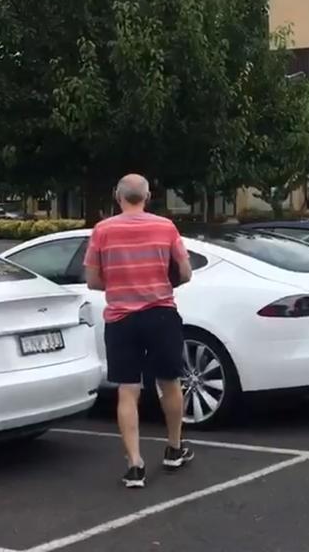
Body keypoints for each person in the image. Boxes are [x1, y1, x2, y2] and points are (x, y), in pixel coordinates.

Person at [84, 174, 194, 489]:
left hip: (120, 319)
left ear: (118, 197)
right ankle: (174, 447)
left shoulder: (102, 230)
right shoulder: (165, 227)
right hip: (160, 314)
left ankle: (135, 464)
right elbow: (184, 272)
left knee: (127, 390)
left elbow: (93, 280)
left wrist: (120, 283)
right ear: (147, 196)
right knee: (170, 383)